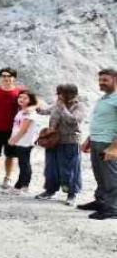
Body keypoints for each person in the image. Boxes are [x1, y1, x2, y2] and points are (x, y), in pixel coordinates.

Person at [35, 84, 85, 205]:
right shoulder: (57, 105)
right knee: (51, 168)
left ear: (71, 95)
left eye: (61, 94)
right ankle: (50, 190)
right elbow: (46, 110)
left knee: (70, 169)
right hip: (53, 141)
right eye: (58, 94)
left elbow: (73, 120)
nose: (59, 96)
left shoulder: (79, 106)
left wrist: (62, 108)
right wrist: (38, 109)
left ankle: (71, 194)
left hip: (70, 142)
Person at [77, 69, 117, 220]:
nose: (101, 83)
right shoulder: (104, 99)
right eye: (100, 80)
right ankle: (101, 201)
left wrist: (114, 148)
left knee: (111, 177)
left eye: (105, 80)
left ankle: (113, 208)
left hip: (109, 143)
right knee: (100, 175)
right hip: (97, 141)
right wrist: (89, 139)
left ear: (115, 80)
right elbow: (100, 122)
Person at [7, 90, 41, 194]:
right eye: (20, 97)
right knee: (23, 163)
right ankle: (22, 185)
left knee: (24, 164)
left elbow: (24, 129)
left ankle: (21, 186)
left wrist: (14, 139)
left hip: (25, 141)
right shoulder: (22, 111)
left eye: (25, 98)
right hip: (21, 141)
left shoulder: (29, 113)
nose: (21, 99)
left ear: (30, 100)